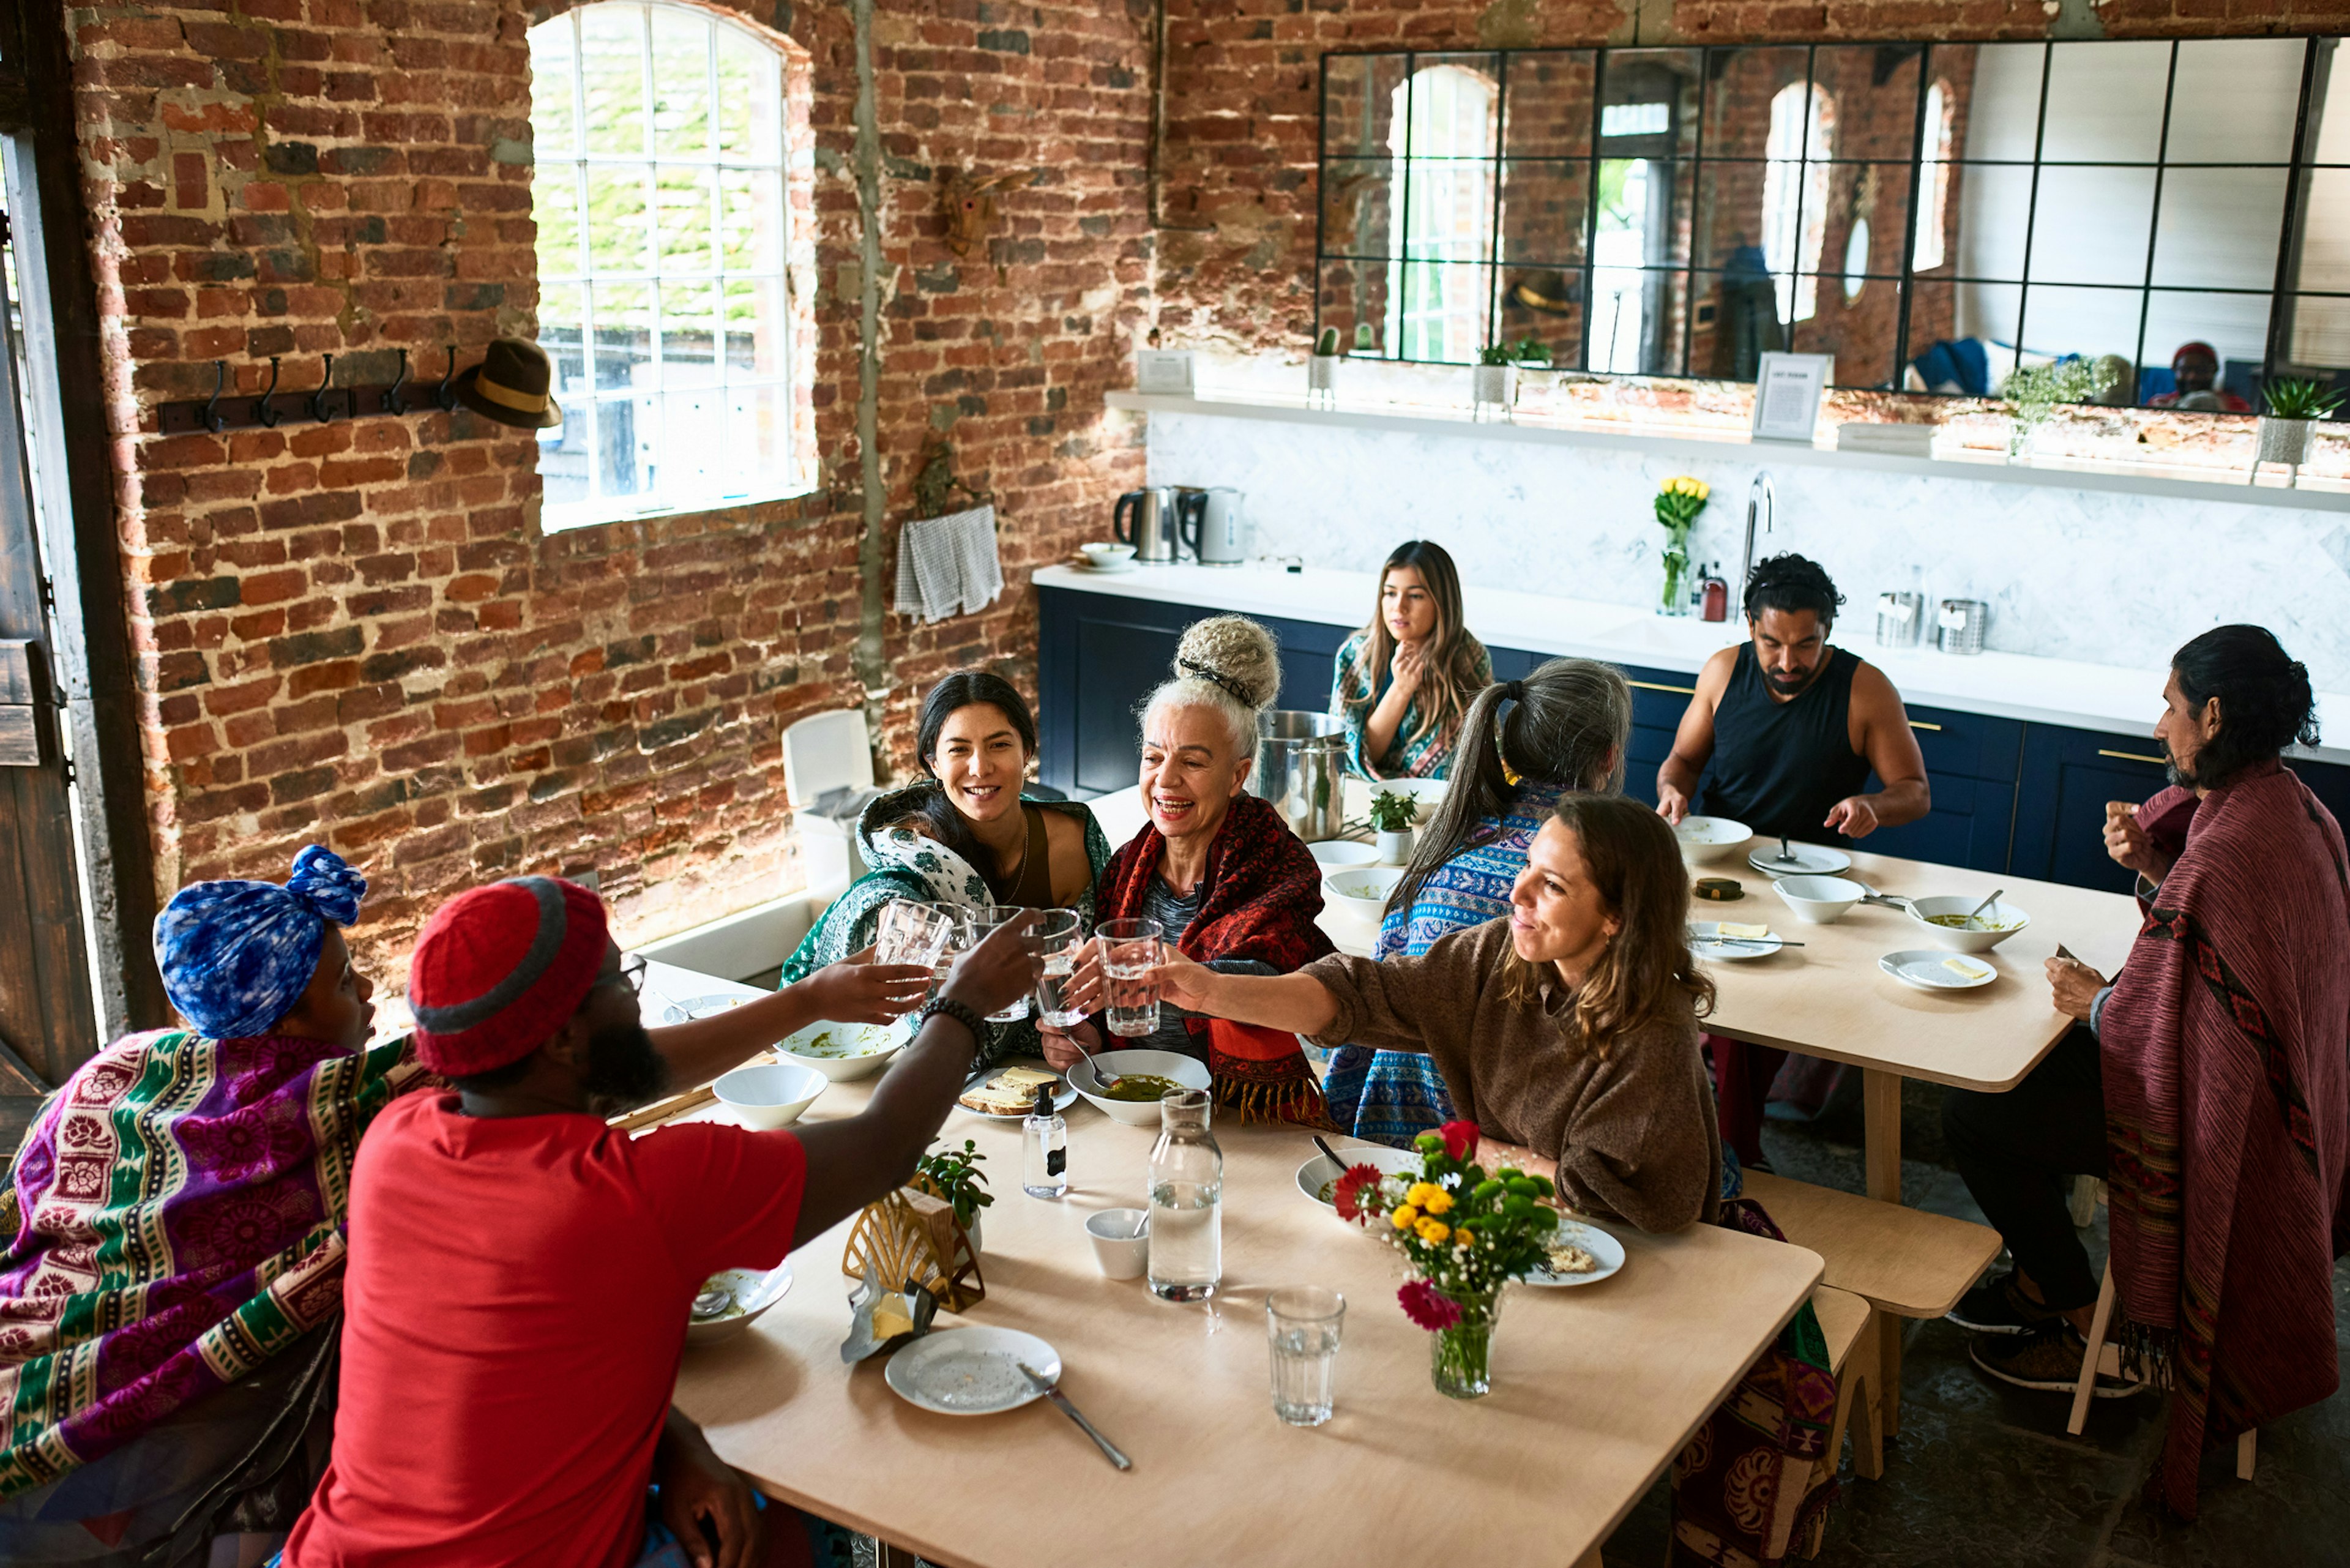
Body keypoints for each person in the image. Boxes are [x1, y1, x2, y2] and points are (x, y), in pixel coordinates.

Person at [0, 849, 923, 1567]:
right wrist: (940, 1005)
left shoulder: (161, 1080)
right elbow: (874, 1142)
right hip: (206, 1469)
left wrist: (668, 1437)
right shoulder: (365, 1112)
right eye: (339, 981)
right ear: (280, 1017)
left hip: (159, 1471)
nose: (361, 993)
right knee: (791, 1528)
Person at [280, 876, 1037, 1567]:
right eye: (620, 979)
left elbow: (532, 1366)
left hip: (335, 1552)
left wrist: (673, 1443)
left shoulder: (398, 1140)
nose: (635, 995)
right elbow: (883, 1147)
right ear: (563, 1039)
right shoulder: (637, 1193)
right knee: (811, 1538)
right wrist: (962, 1005)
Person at [1941, 627, 2346, 1521]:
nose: (2159, 723)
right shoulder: (2296, 808)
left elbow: (2157, 1021)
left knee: (1979, 1112)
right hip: (2279, 1112)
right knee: (2024, 1093)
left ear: (2211, 713)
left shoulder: (2232, 842)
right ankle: (2050, 1283)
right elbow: (2219, 973)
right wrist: (2160, 864)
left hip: (2215, 1129)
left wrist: (2093, 999)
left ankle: (2079, 1309)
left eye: (2170, 704)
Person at [1153, 793, 1722, 1231]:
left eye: (1552, 886)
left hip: (1636, 1259)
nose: (1517, 894)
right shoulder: (1503, 954)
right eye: (1528, 867)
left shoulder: (1652, 1031)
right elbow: (1363, 994)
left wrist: (1483, 1152)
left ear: (1616, 918)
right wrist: (1209, 991)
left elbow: (1604, 1194)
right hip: (1520, 1225)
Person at [1654, 552, 1931, 1169]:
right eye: (1771, 643)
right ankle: (1729, 1150)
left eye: (1806, 645)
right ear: (1749, 628)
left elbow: (1915, 790)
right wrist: (1673, 791)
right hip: (1724, 870)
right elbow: (1682, 763)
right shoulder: (1723, 672)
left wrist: (1873, 806)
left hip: (1816, 888)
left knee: (1753, 1012)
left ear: (1826, 631)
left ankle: (1732, 1153)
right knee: (1725, 1001)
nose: (1787, 662)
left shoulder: (1865, 688)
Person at [1323, 657, 1633, 1146]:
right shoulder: (1589, 866)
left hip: (1388, 1114)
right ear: (1609, 758)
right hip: (1493, 1132)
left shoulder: (1454, 831)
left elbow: (1385, 962)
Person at [1039, 616, 1335, 1124]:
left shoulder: (1279, 867)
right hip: (1134, 1108)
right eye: (1154, 757)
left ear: (1237, 775)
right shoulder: (1125, 870)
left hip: (1243, 1115)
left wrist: (1171, 974)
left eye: (1193, 763)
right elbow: (1115, 1017)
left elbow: (1270, 978)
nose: (1166, 780)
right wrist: (1084, 1039)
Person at [780, 672, 1110, 1064]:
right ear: (933, 763)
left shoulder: (1073, 840)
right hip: (930, 1065)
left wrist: (1082, 1035)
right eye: (958, 750)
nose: (980, 767)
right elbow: (887, 894)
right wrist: (893, 913)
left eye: (999, 745)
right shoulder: (916, 845)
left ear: (1026, 753)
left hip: (1049, 1073)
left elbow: (1097, 964)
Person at [1329, 540, 1492, 780]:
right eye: (1390, 593)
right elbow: (1352, 757)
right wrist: (1401, 689)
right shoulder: (1356, 656)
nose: (1399, 607)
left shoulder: (1469, 658)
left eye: (1415, 596)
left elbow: (1475, 758)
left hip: (1442, 801)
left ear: (1442, 602)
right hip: (1365, 791)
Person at [2143, 340, 2251, 412]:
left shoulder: (2236, 405)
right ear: (2175, 371)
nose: (2192, 377)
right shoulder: (2160, 404)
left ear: (2214, 371)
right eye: (2185, 370)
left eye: (2201, 370)